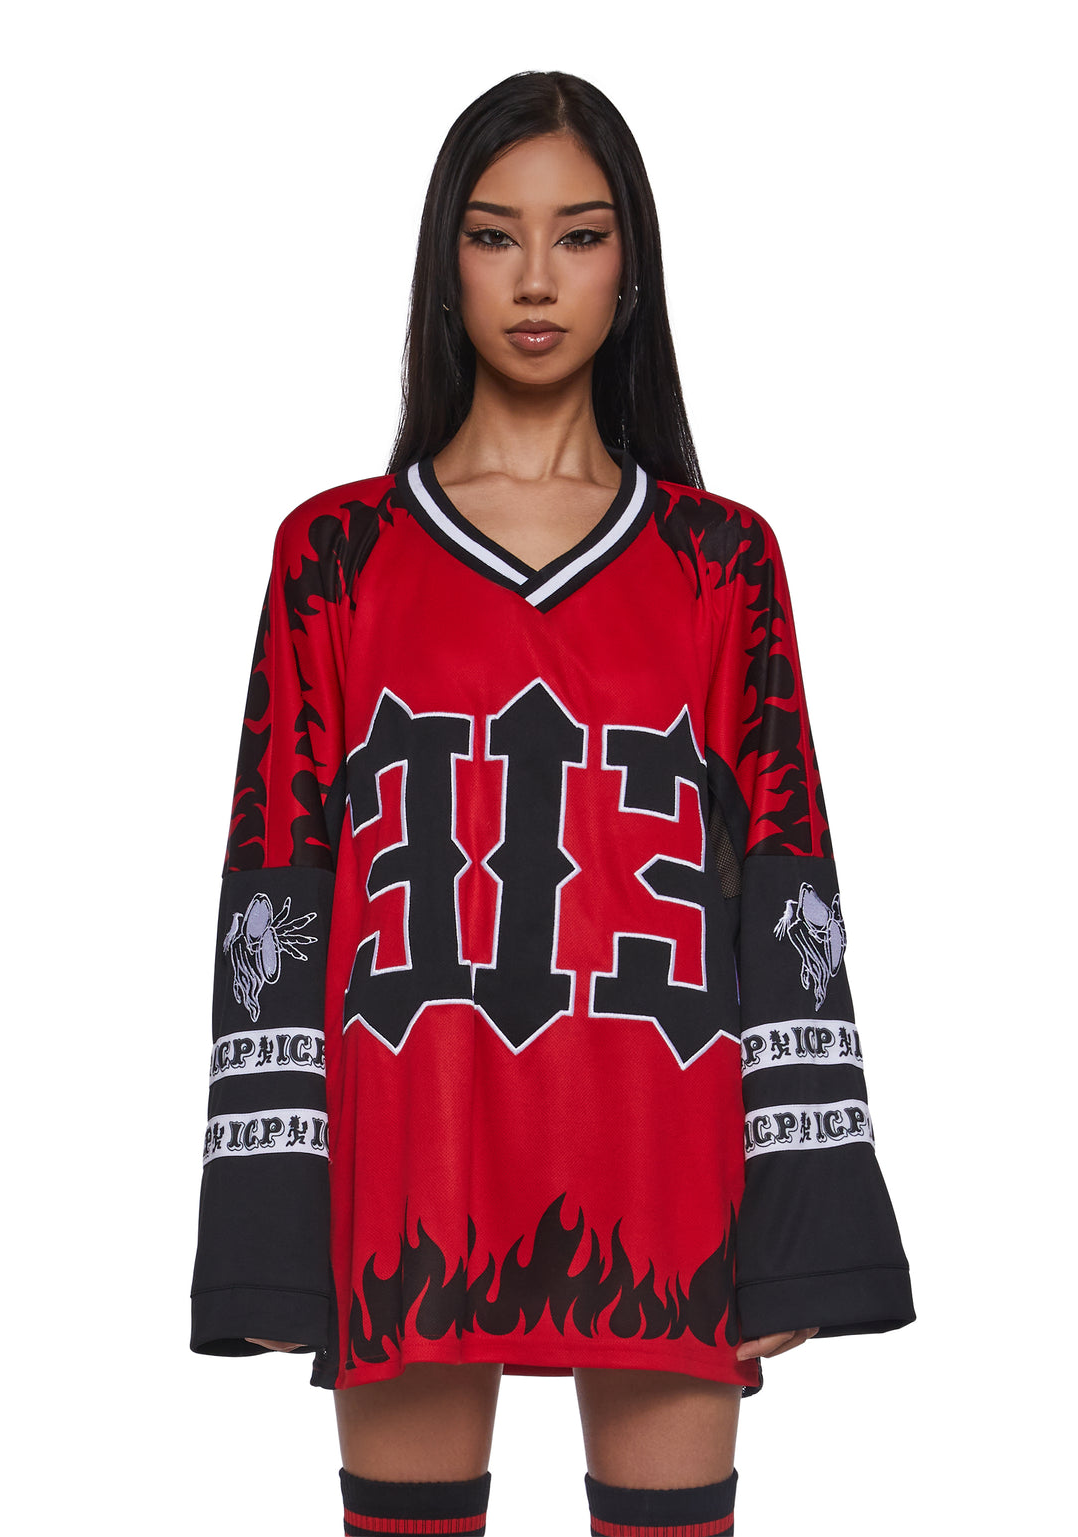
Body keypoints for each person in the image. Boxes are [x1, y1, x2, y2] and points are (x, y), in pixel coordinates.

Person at [189, 69, 915, 1536]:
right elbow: (280, 884)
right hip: (413, 1159)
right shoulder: (334, 554)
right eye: (493, 234)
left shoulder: (722, 561)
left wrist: (803, 1216)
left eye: (578, 235)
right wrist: (268, 1226)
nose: (535, 279)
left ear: (630, 265)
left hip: (664, 1161)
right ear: (443, 261)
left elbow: (787, 880)